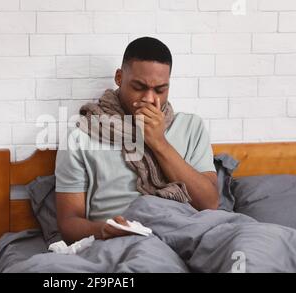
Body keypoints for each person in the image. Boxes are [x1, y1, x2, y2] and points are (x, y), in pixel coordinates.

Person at [55, 37, 218, 244]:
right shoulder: (81, 137)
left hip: (190, 231)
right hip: (130, 241)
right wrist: (104, 229)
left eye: (160, 90)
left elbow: (210, 203)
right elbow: (68, 224)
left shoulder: (190, 126)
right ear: (119, 77)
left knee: (253, 242)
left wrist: (159, 143)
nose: (150, 99)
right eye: (139, 87)